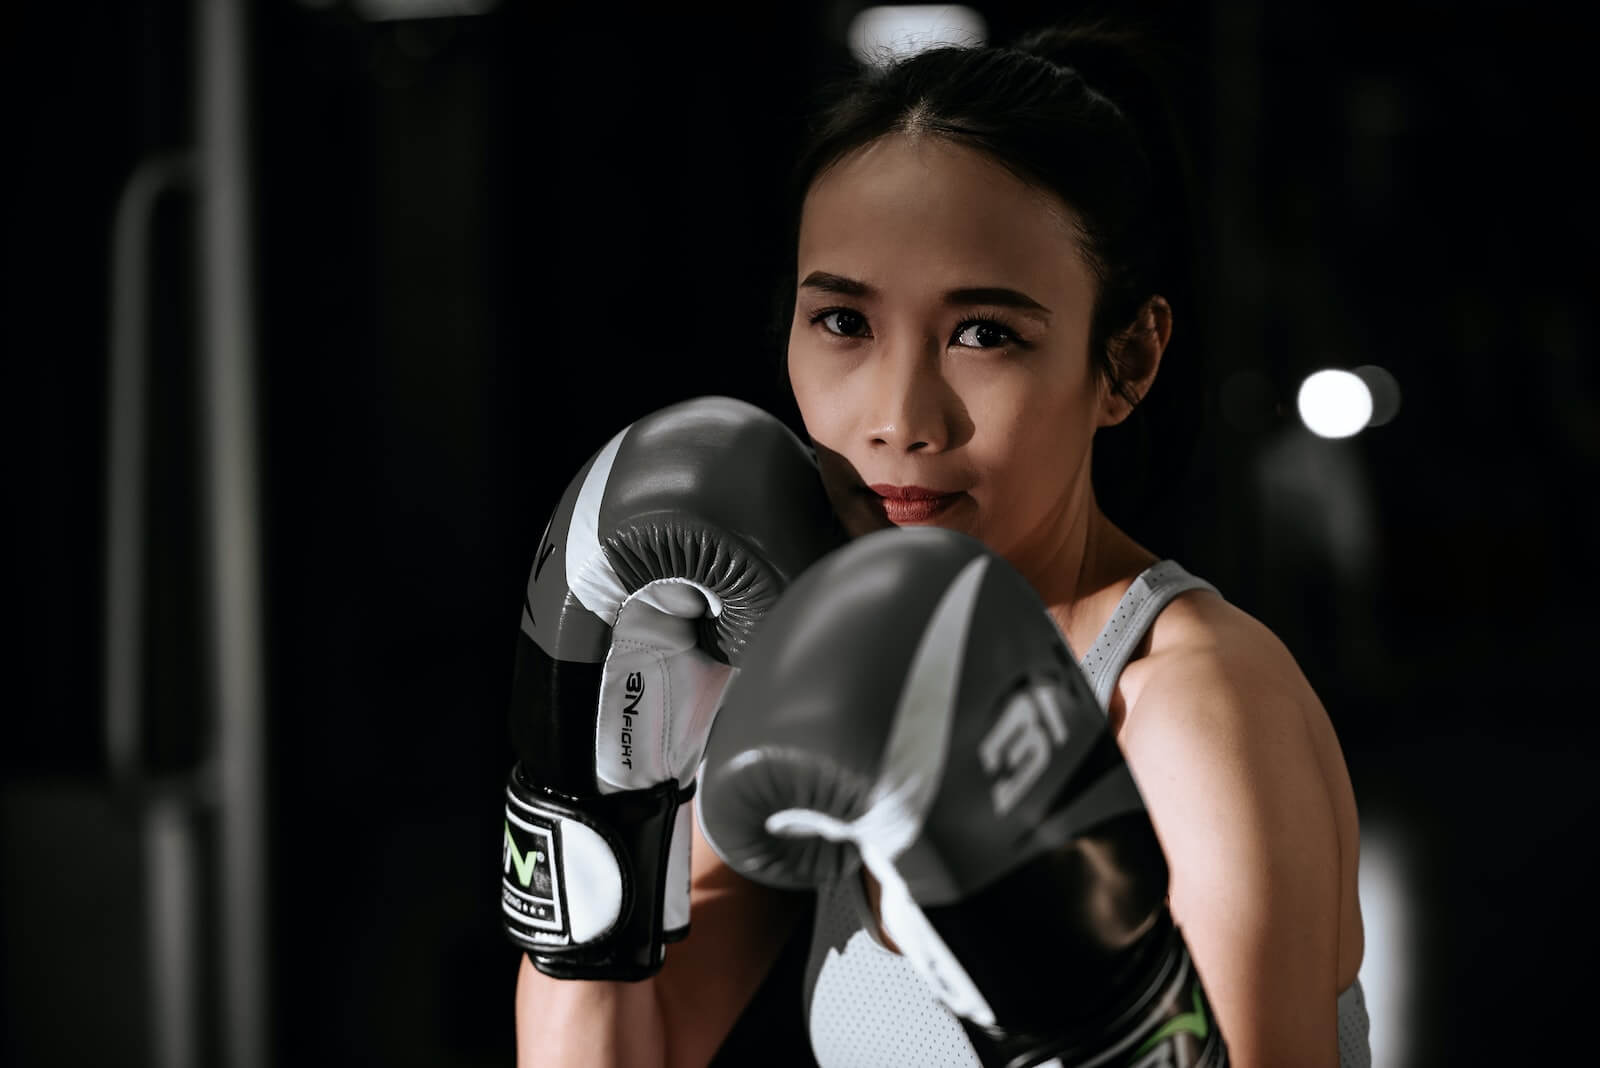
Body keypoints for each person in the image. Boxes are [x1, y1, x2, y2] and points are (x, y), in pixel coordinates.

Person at [515, 15, 1369, 1068]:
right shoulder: (838, 673)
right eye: (843, 322)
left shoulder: (1194, 707)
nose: (898, 416)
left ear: (1130, 359)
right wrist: (594, 805)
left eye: (985, 333)